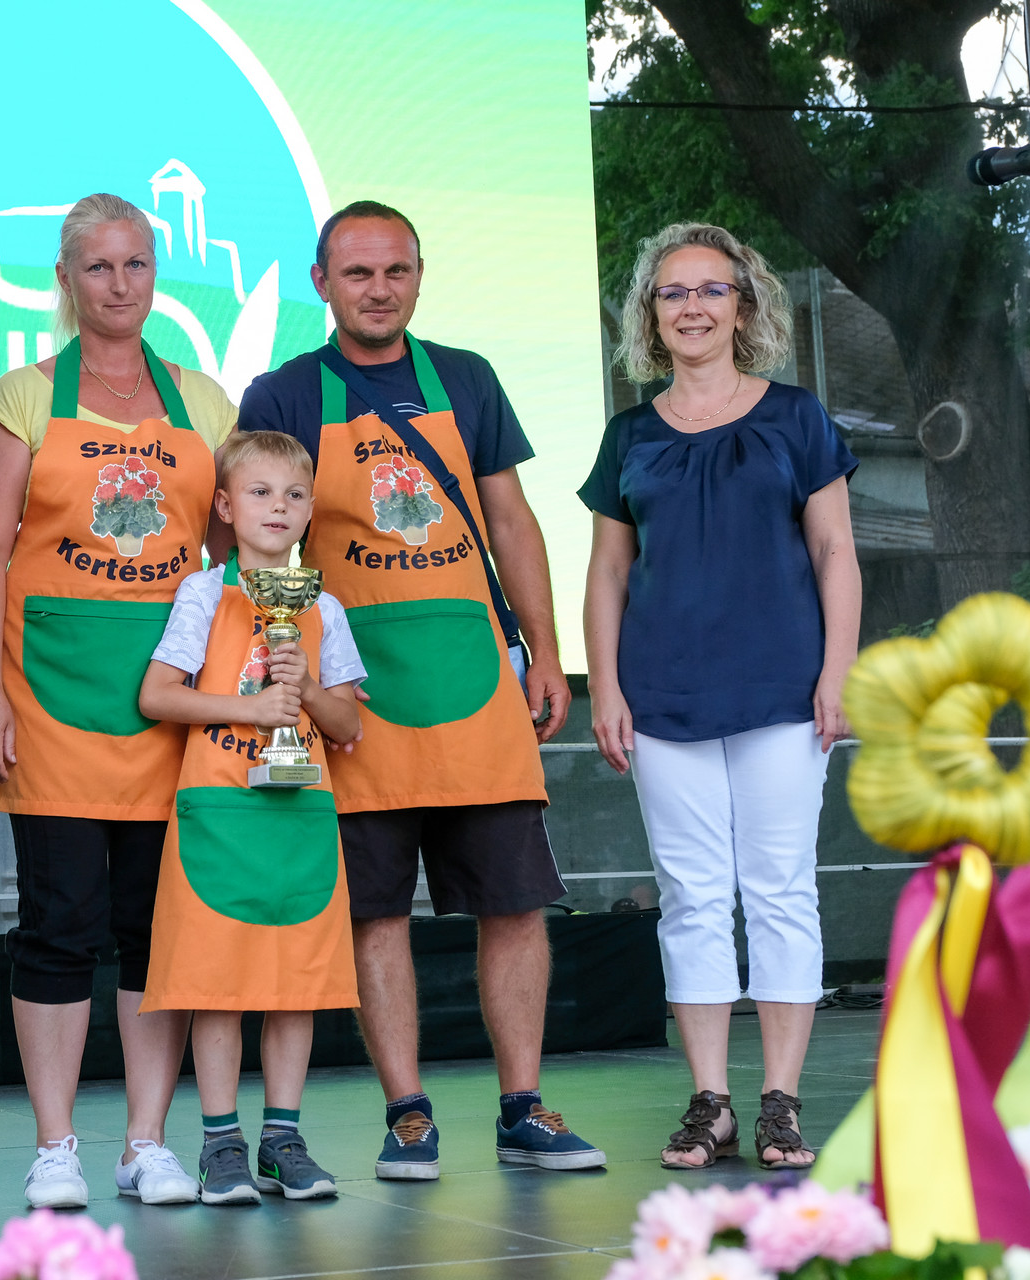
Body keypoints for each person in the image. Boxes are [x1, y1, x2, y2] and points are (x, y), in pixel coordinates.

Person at [238, 201, 603, 1179]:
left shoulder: (467, 377)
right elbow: (250, 533)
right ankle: (407, 1112)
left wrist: (545, 651)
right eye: (358, 273)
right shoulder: (283, 392)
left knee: (515, 904)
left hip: (476, 679)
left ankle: (523, 1107)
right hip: (354, 693)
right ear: (322, 283)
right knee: (376, 913)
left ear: (418, 276)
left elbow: (511, 521)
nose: (379, 289)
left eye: (396, 270)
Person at [0, 194, 235, 1209]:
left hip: (172, 708)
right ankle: (56, 1146)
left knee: (156, 929)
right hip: (52, 698)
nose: (120, 285)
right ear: (67, 280)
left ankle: (147, 1142)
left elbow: (229, 553)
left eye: (136, 264)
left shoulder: (205, 402)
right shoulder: (22, 398)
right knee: (59, 924)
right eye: (99, 267)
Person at [578, 222, 860, 1172]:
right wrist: (605, 687)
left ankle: (780, 1104)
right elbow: (607, 574)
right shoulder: (629, 435)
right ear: (650, 316)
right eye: (673, 292)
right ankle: (712, 1104)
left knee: (781, 891)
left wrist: (837, 673)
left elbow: (835, 551)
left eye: (710, 289)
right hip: (662, 699)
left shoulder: (796, 417)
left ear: (744, 306)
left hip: (784, 691)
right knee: (692, 899)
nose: (692, 306)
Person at [137, 429, 365, 1206]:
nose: (279, 506)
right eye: (260, 492)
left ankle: (283, 1140)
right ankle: (220, 1143)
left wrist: (308, 688)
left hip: (298, 821)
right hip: (221, 815)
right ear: (227, 508)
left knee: (296, 985)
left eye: (294, 494)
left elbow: (349, 724)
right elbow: (157, 695)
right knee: (219, 984)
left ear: (311, 510)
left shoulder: (324, 605)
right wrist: (251, 707)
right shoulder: (204, 594)